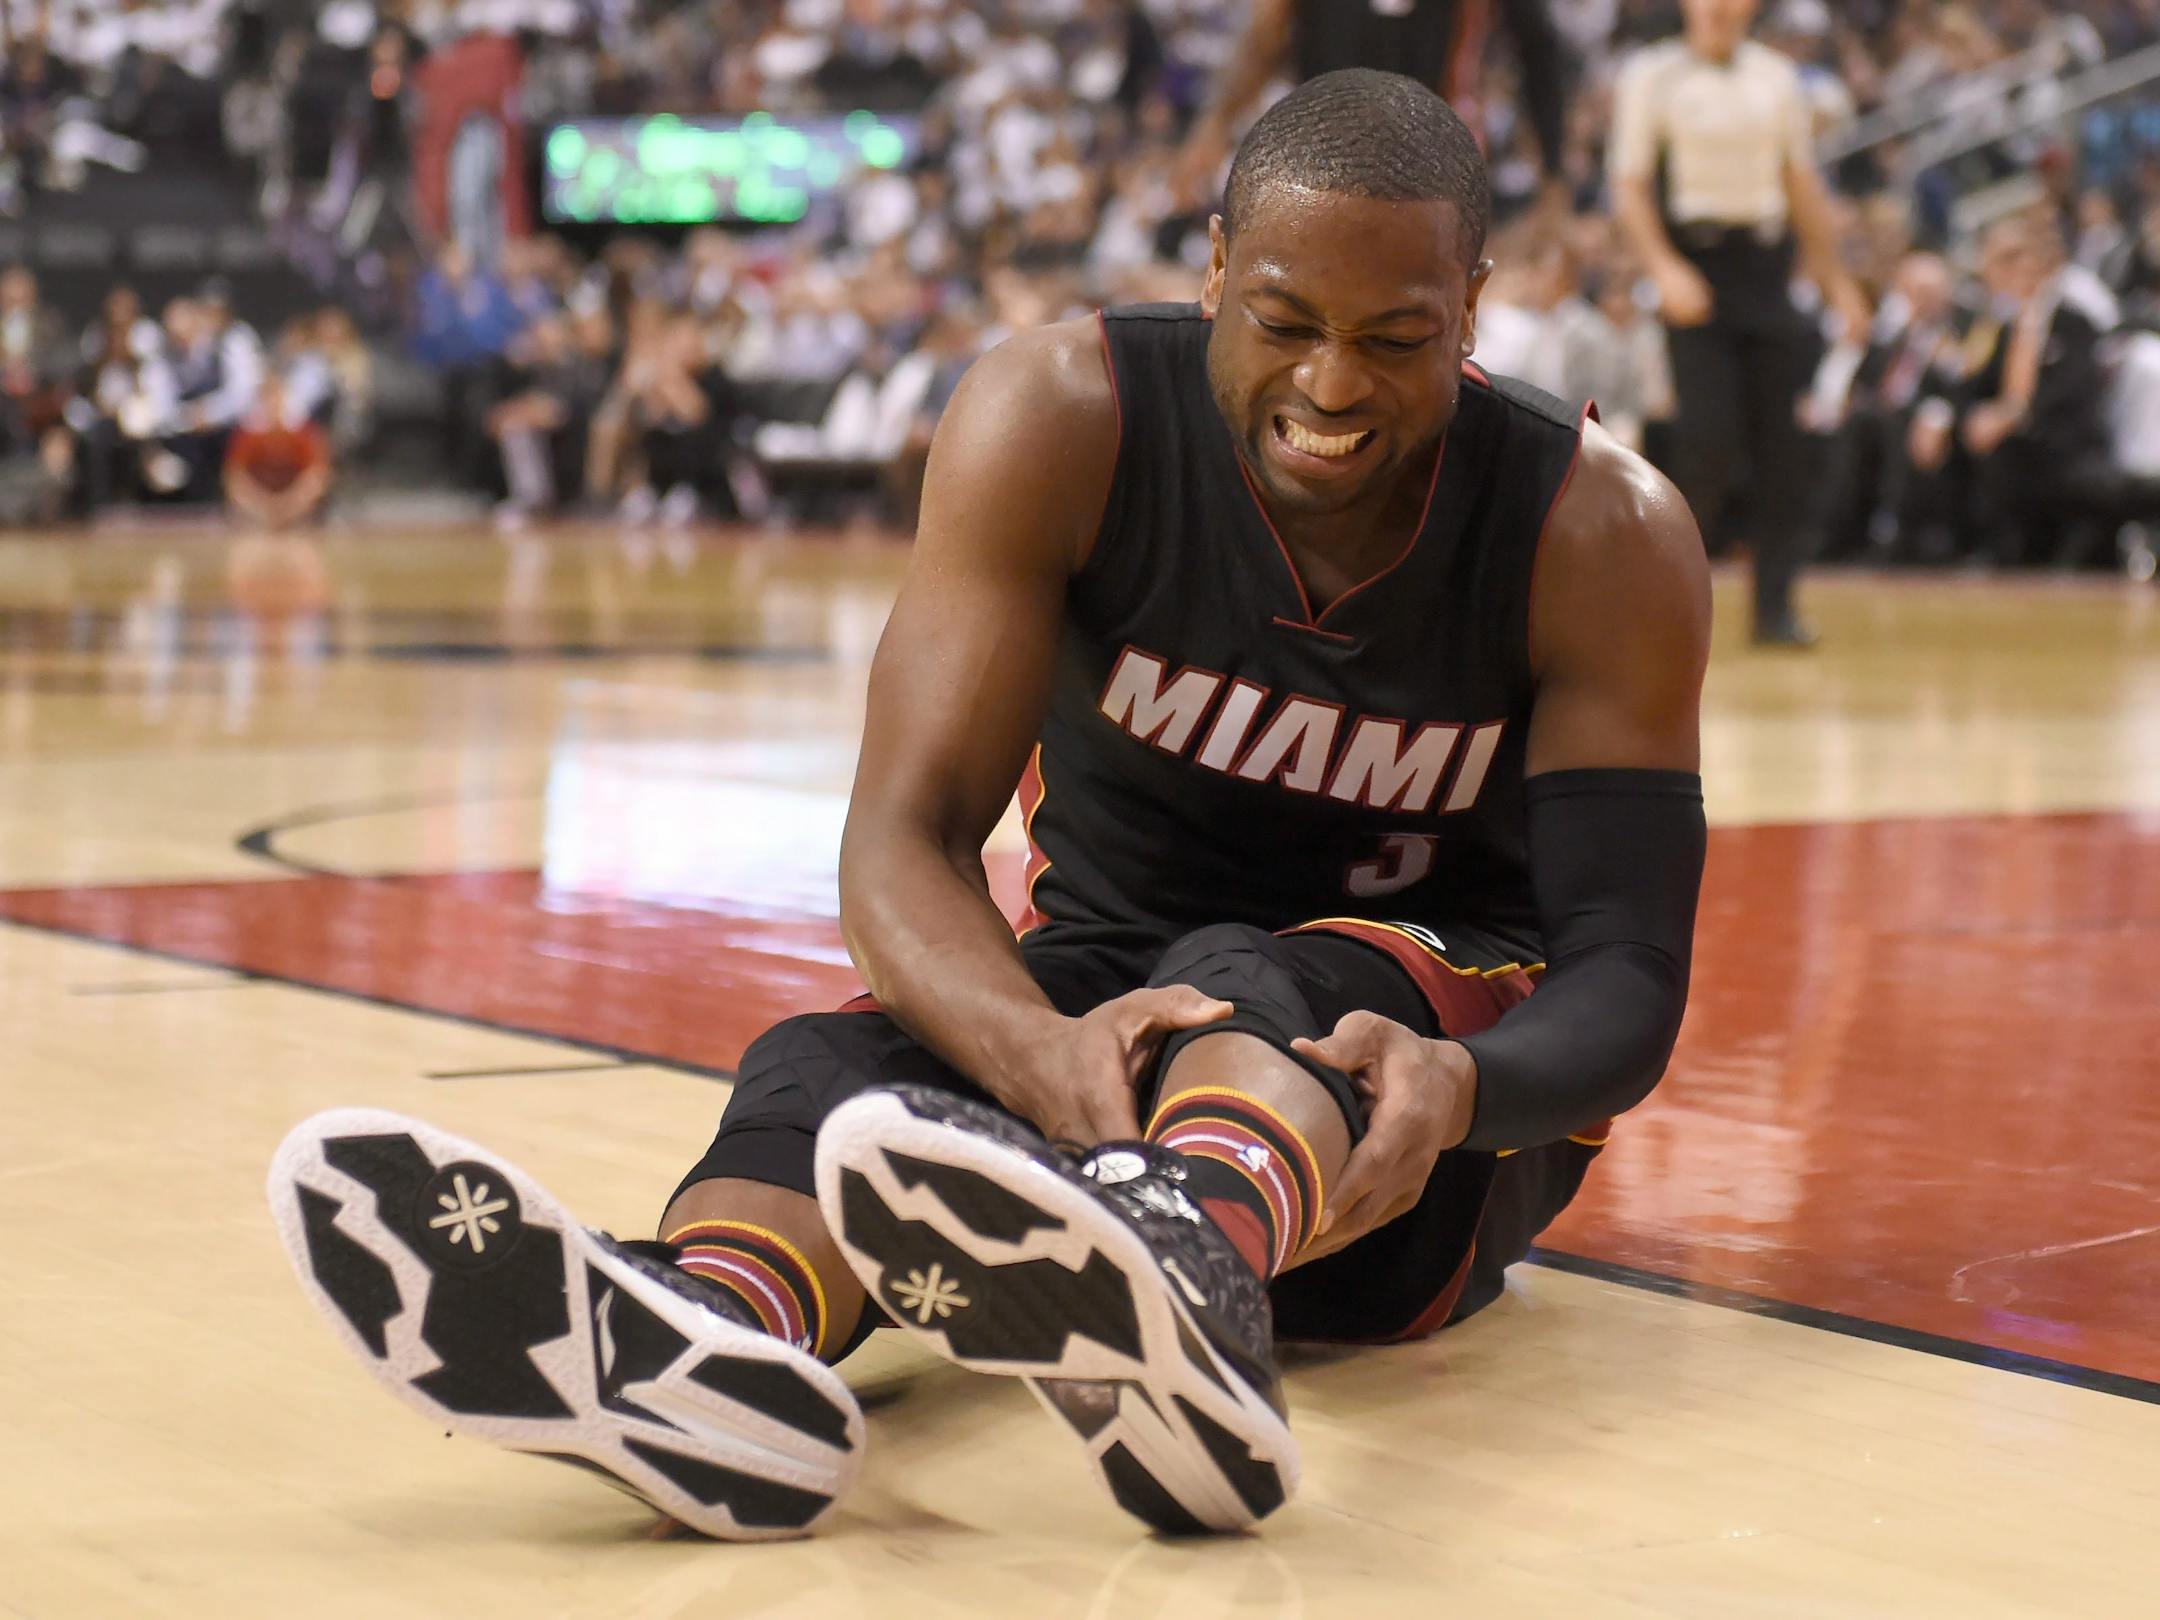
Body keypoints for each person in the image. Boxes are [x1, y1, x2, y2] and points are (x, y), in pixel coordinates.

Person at [268, 71, 1709, 1542]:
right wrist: (1035, 1050)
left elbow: (1628, 972)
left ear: (1470, 308)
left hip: (1417, 1126)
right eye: (1283, 324)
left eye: (1395, 340)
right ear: (1212, 269)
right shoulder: (1065, 417)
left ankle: (1181, 1271)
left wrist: (1472, 1092)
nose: (1331, 385)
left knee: (1251, 980)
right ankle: (710, 1343)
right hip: (1105, 1014)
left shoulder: (1598, 530)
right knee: (832, 1074)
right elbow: (903, 835)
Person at [1608, 0, 1869, 648]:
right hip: (1694, 268)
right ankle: (1671, 605)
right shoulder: (1651, 74)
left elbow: (1801, 182)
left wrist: (1837, 283)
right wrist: (1663, 267)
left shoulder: (1778, 77)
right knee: (1707, 445)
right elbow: (1630, 185)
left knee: (1786, 449)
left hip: (1768, 268)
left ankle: (1775, 608)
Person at [224, 373, 333, 529]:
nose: (273, 405)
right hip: (255, 514)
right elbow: (235, 478)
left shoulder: (304, 433)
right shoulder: (247, 434)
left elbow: (316, 478)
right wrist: (262, 507)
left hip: (298, 514)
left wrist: (287, 507)